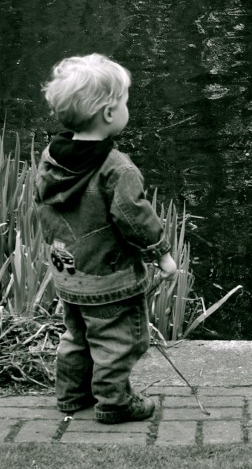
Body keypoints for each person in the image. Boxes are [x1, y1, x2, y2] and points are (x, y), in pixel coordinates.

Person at [36, 54, 177, 423]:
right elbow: (135, 217)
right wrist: (161, 254)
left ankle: (71, 396)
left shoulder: (51, 158)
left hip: (68, 273)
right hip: (111, 278)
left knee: (76, 336)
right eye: (125, 101)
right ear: (110, 114)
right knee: (119, 342)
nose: (127, 107)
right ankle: (114, 403)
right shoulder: (117, 168)